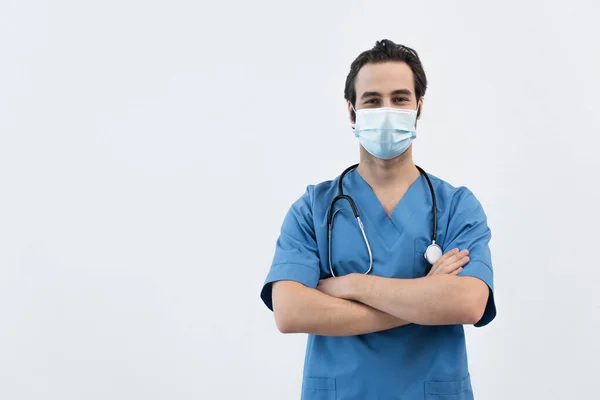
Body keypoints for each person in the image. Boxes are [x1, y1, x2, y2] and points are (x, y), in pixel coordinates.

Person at [260, 39, 496, 400]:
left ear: (418, 108)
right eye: (372, 100)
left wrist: (353, 285)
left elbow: (467, 303)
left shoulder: (456, 207)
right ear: (352, 113)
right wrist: (425, 299)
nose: (387, 110)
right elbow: (290, 311)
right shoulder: (313, 208)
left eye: (400, 99)